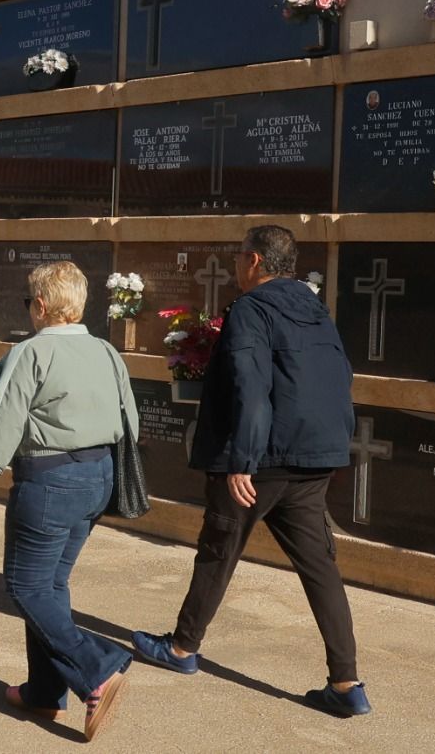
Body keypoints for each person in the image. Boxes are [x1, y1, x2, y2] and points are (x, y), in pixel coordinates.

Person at [131, 225, 369, 717]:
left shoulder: (250, 311)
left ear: (255, 261)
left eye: (240, 257)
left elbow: (250, 383)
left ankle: (180, 649)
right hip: (315, 456)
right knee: (320, 568)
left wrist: (243, 459)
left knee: (218, 550)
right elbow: (340, 374)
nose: (237, 266)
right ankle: (347, 683)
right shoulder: (316, 311)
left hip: (261, 460)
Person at [0, 260, 136, 743]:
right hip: (97, 477)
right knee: (51, 585)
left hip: (50, 480)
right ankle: (43, 692)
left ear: (40, 305)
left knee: (24, 586)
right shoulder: (105, 351)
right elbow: (129, 418)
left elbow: (3, 420)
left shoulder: (32, 353)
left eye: (27, 302)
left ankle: (97, 667)